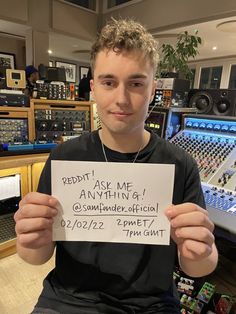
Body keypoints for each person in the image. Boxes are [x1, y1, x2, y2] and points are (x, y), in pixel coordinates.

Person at [14, 18, 218, 314]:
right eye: (109, 83)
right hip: (68, 300)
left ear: (152, 90)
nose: (121, 99)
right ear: (94, 88)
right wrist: (32, 240)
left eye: (136, 83)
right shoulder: (64, 157)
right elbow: (35, 257)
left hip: (153, 305)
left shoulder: (180, 164)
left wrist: (201, 251)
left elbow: (199, 267)